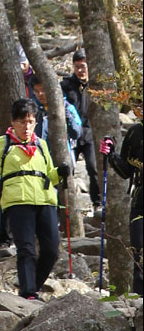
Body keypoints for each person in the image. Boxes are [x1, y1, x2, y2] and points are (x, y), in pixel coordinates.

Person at [0, 98, 70, 300]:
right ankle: (28, 292)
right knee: (26, 248)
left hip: (44, 199)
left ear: (35, 122)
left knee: (51, 250)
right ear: (12, 122)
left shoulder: (41, 144)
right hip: (17, 201)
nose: (26, 127)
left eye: (30, 121)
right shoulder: (2, 143)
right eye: (21, 121)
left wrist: (61, 172)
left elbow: (49, 175)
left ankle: (33, 286)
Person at [100, 123, 143, 296]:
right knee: (139, 254)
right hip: (140, 203)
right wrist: (111, 155)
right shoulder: (135, 133)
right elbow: (125, 171)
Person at [61, 49, 101, 214]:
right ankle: (66, 206)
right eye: (77, 67)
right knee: (67, 170)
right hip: (71, 135)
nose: (80, 70)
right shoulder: (66, 85)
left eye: (83, 66)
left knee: (93, 168)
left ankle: (97, 202)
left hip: (90, 133)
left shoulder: (97, 84)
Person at [31, 74, 82, 169]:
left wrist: (68, 117)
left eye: (43, 90)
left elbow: (77, 133)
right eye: (36, 91)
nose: (40, 94)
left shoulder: (67, 107)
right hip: (39, 160)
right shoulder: (33, 110)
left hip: (63, 160)